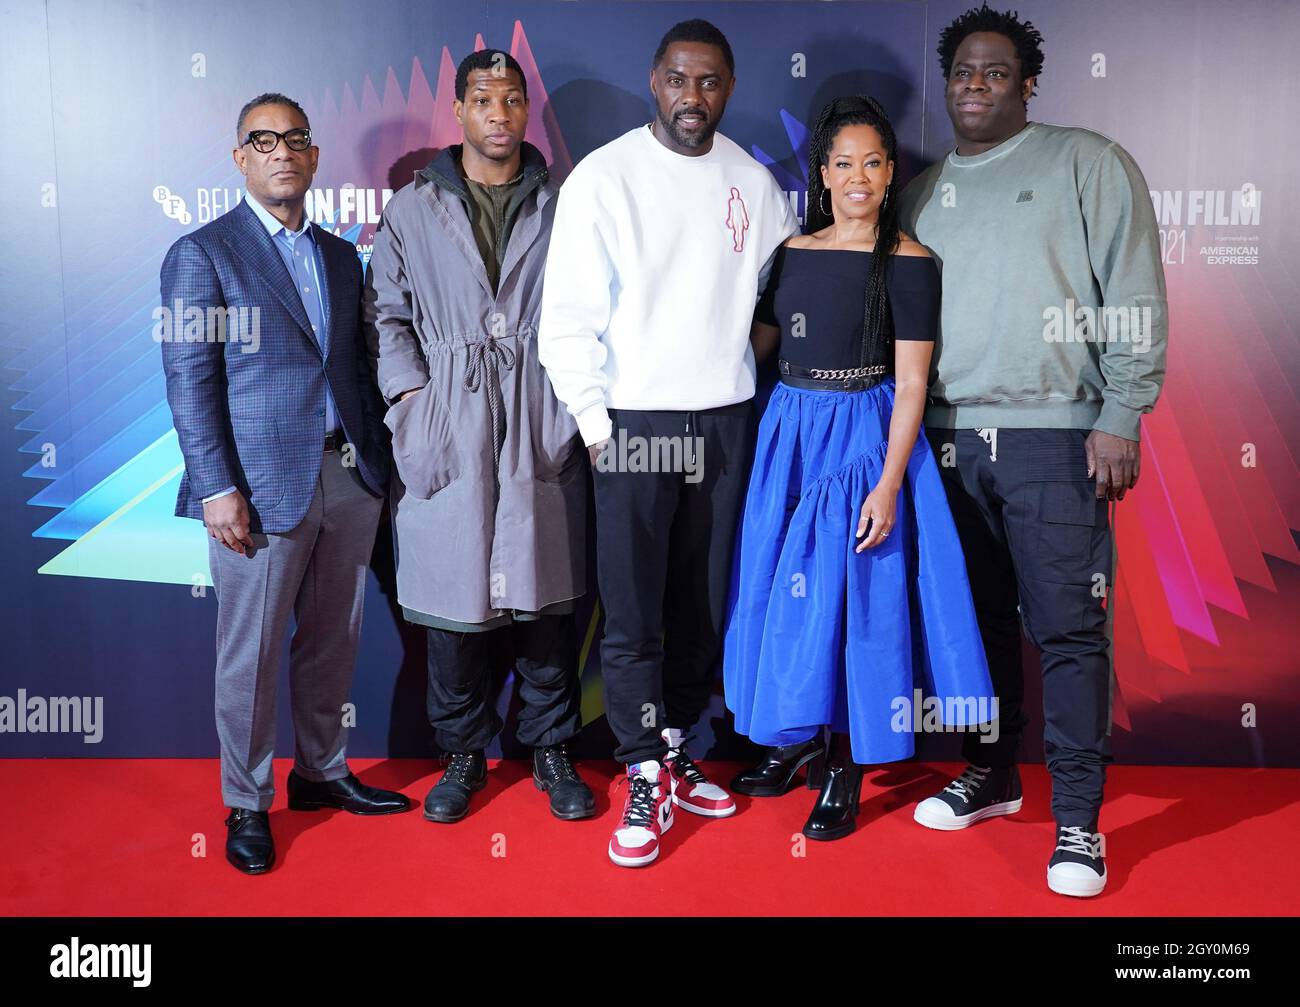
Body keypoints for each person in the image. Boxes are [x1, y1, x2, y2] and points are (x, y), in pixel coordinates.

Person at [897, 4, 1168, 897]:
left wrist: (1122, 411)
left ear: (1027, 82)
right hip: (944, 438)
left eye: (995, 72)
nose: (975, 86)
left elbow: (1131, 289)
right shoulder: (921, 187)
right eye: (963, 73)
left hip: (1057, 437)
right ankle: (992, 772)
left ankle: (1081, 823)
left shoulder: (1087, 162)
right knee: (974, 629)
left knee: (1068, 633)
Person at [537, 19, 799, 867]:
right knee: (635, 606)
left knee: (703, 601)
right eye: (681, 80)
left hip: (724, 423)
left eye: (712, 82)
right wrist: (599, 426)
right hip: (634, 426)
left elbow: (767, 303)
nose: (695, 97)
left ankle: (678, 744)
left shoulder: (754, 184)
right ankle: (642, 766)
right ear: (656, 81)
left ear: (729, 86)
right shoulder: (604, 179)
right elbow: (565, 321)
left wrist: (726, 371)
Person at [724, 96, 996, 842]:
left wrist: (885, 482)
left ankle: (845, 764)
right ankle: (798, 740)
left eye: (872, 162)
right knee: (786, 594)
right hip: (788, 437)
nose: (857, 176)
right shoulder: (791, 253)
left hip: (860, 440)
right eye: (843, 162)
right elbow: (753, 349)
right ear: (822, 171)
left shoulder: (911, 264)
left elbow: (911, 384)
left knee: (853, 604)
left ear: (889, 172)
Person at [160, 93, 411, 876]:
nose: (280, 151)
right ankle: (245, 800)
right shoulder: (203, 253)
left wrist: (378, 469)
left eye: (294, 139)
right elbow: (188, 380)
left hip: (347, 477)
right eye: (261, 140)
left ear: (312, 155)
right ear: (241, 159)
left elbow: (358, 368)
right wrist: (215, 487)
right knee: (252, 652)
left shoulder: (341, 255)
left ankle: (320, 772)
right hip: (256, 488)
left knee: (332, 640)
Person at [365, 50, 593, 824]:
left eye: (512, 99)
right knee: (452, 608)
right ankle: (462, 752)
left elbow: (595, 310)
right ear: (459, 111)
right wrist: (413, 402)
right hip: (448, 414)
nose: (500, 112)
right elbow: (385, 318)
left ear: (527, 112)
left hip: (537, 409)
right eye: (483, 98)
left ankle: (552, 746)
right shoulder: (412, 208)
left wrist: (564, 410)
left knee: (545, 604)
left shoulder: (564, 204)